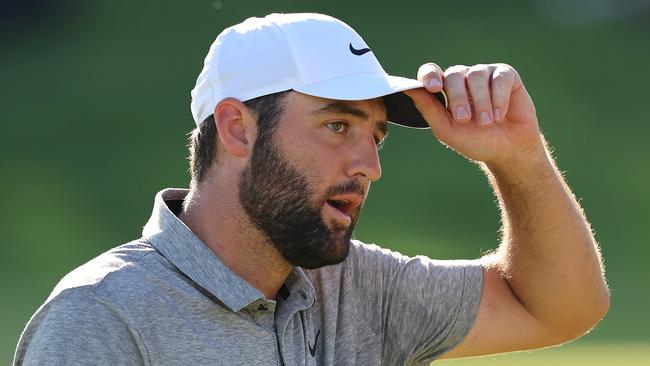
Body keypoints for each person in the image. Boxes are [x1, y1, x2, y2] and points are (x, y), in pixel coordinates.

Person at [13, 13, 609, 366]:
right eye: (337, 125)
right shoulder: (101, 317)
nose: (369, 164)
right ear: (237, 128)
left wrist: (518, 157)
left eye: (377, 134)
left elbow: (560, 308)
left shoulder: (358, 288)